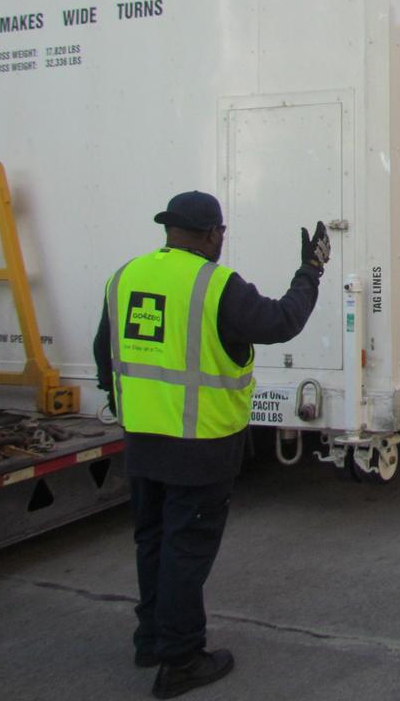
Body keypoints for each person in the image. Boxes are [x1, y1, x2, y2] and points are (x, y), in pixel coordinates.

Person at [93, 191, 330, 698]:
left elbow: (103, 354)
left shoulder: (125, 276)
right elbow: (281, 322)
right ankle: (180, 661)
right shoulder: (215, 285)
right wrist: (311, 271)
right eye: (220, 232)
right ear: (211, 234)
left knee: (152, 540)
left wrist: (127, 405)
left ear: (168, 229)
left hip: (142, 440)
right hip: (199, 446)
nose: (222, 239)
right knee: (186, 551)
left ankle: (151, 640)